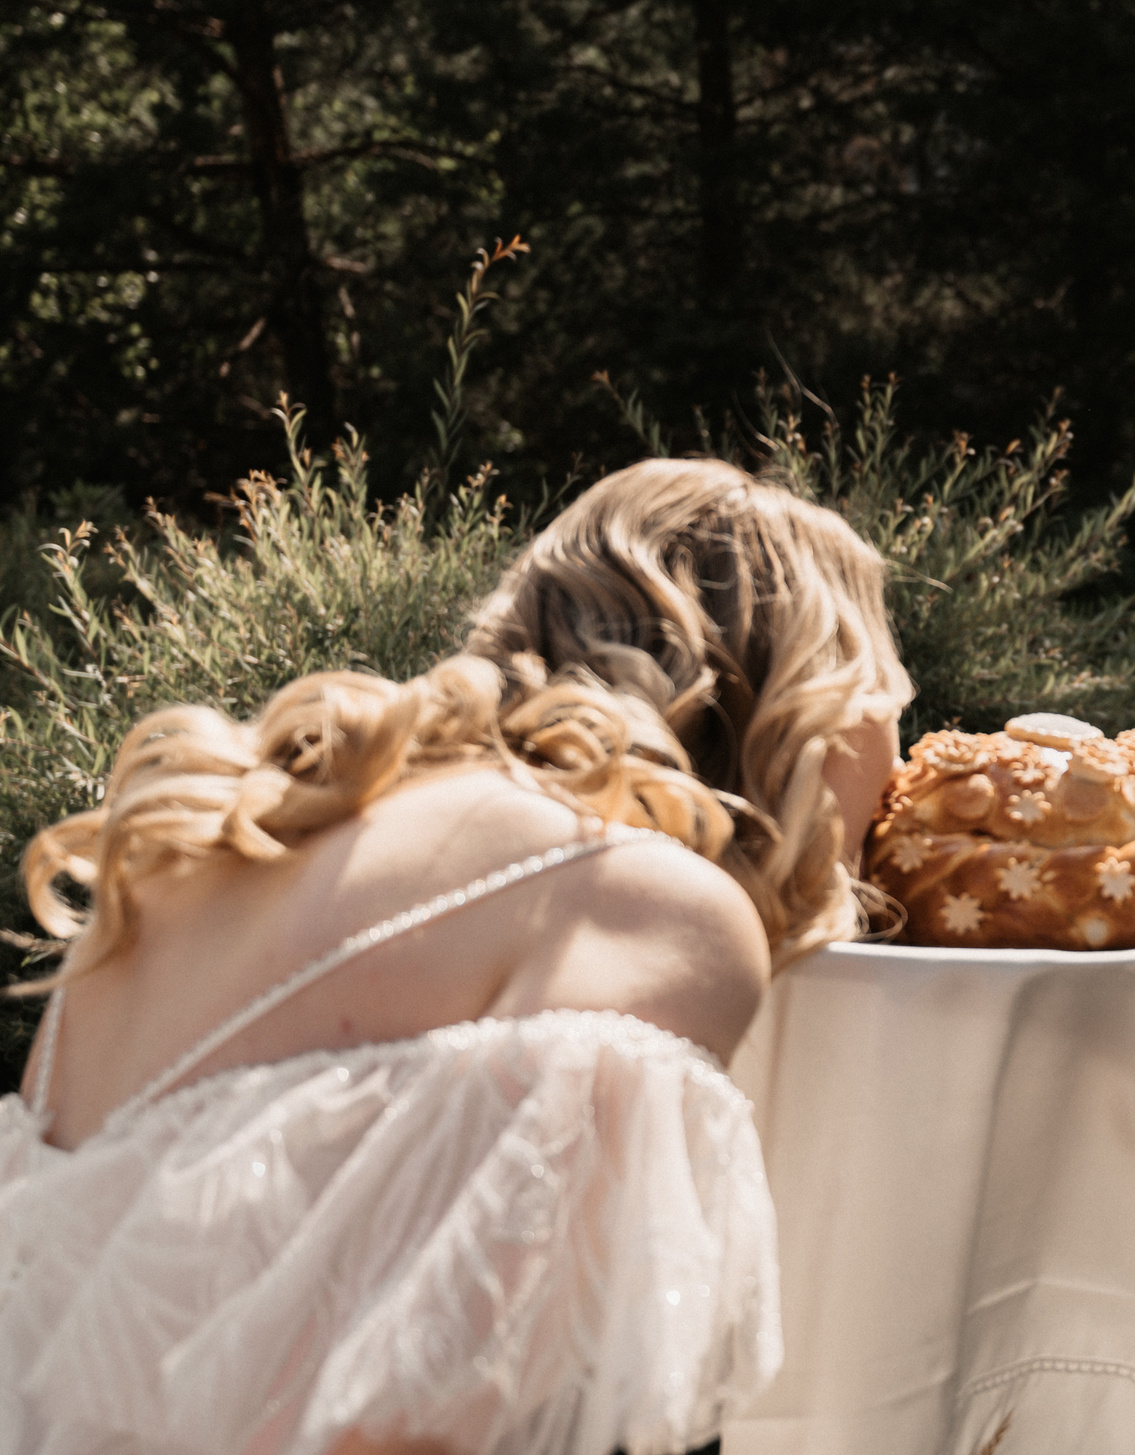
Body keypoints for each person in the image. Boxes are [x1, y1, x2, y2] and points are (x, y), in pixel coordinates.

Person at [1, 458, 913, 1455]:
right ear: (801, 695)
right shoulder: (646, 903)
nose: (902, 765)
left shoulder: (208, 856)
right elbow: (425, 1416)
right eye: (883, 695)